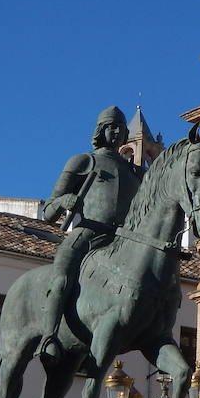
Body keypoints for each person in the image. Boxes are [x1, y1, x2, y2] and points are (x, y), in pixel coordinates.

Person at [37, 107, 143, 364]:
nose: (117, 132)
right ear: (101, 130)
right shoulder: (83, 161)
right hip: (87, 234)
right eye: (111, 126)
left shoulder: (137, 173)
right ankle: (49, 338)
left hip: (123, 240)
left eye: (120, 127)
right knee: (62, 275)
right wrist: (65, 199)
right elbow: (47, 212)